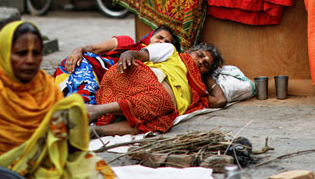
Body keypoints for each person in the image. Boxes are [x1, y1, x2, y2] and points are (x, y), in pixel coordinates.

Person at [0, 21, 115, 178]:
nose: (30, 60)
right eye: (21, 53)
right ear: (3, 53)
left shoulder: (47, 88)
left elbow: (61, 144)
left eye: (36, 53)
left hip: (45, 165)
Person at [87, 43, 227, 136]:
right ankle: (95, 110)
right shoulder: (172, 53)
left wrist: (206, 75)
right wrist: (129, 54)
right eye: (200, 55)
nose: (200, 61)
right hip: (129, 79)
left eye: (205, 64)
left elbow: (220, 100)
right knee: (160, 99)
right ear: (189, 51)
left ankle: (96, 131)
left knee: (164, 122)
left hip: (151, 108)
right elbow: (138, 55)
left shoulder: (197, 94)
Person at [54, 25, 180, 104]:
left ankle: (74, 104)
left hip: (113, 80)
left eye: (166, 42)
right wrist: (77, 50)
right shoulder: (125, 41)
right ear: (150, 36)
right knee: (76, 64)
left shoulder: (155, 62)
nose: (161, 42)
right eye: (159, 37)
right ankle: (80, 103)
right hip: (95, 67)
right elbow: (93, 48)